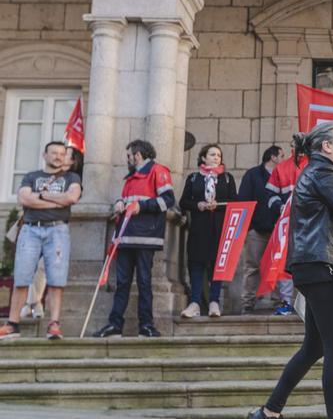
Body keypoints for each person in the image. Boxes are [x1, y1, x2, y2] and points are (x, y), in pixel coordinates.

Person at [249, 120, 333, 419]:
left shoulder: (322, 172)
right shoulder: (322, 172)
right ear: (327, 146)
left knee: (314, 347)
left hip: (316, 266)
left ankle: (270, 411)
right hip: (323, 266)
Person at [0, 142, 82, 340]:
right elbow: (24, 199)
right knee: (22, 276)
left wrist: (42, 195)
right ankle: (13, 324)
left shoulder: (72, 177)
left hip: (58, 230)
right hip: (30, 230)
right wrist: (55, 200)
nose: (58, 157)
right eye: (54, 153)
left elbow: (72, 197)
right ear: (44, 155)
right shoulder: (32, 176)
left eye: (62, 154)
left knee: (56, 278)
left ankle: (54, 324)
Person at [93, 139, 174, 338]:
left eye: (129, 155)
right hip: (125, 236)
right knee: (122, 283)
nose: (127, 159)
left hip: (146, 236)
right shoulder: (130, 178)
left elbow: (168, 200)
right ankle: (115, 325)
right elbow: (128, 200)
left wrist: (142, 206)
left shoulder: (158, 171)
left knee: (145, 282)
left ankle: (146, 325)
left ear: (138, 154)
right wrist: (120, 203)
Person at [179, 144, 237, 318]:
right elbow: (183, 202)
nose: (216, 158)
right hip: (199, 227)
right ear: (203, 157)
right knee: (196, 264)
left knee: (217, 265)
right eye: (212, 154)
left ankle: (214, 302)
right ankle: (195, 302)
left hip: (219, 227)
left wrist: (218, 205)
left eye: (218, 155)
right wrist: (198, 205)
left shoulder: (227, 178)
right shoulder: (193, 178)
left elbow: (234, 202)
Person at [238, 145, 285, 313]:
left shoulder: (282, 175)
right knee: (252, 267)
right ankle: (247, 304)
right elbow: (243, 200)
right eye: (281, 155)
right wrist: (249, 228)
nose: (283, 159)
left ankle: (277, 302)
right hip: (256, 231)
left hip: (277, 231)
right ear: (273, 157)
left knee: (278, 267)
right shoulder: (252, 175)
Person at [265, 141, 309, 315]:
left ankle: (306, 303)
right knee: (284, 263)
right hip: (287, 224)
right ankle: (286, 301)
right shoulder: (281, 168)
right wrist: (280, 207)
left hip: (311, 224)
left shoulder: (315, 166)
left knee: (309, 263)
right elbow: (270, 195)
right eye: (295, 145)